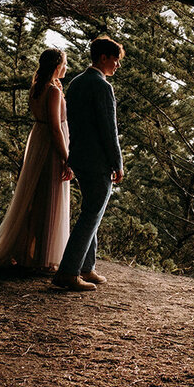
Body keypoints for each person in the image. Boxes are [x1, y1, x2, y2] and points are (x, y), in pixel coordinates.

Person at [0, 48, 74, 271]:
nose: (66, 67)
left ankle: (28, 254)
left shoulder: (39, 88)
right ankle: (41, 258)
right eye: (65, 63)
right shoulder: (53, 91)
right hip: (50, 148)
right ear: (57, 65)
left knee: (34, 199)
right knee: (48, 201)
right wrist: (66, 158)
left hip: (38, 144)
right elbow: (55, 127)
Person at [52, 36, 124, 292]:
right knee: (91, 214)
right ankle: (68, 272)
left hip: (79, 157)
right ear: (103, 57)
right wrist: (117, 162)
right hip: (97, 161)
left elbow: (74, 124)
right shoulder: (102, 87)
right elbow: (108, 128)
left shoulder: (76, 83)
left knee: (91, 211)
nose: (117, 65)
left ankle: (86, 267)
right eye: (115, 59)